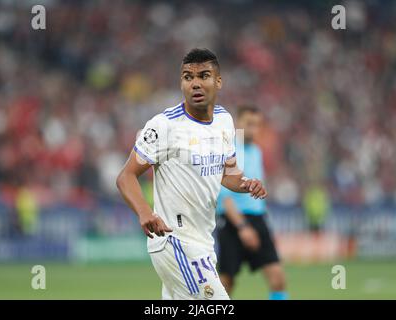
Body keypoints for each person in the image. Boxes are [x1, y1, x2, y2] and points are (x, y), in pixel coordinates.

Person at [116, 48, 267, 300]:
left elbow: (228, 173)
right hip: (174, 240)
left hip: (203, 241)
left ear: (218, 82)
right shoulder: (164, 126)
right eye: (188, 77)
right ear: (181, 82)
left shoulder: (224, 120)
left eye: (204, 76)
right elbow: (125, 176)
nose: (195, 83)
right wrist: (144, 212)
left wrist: (246, 184)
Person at [216, 106, 288, 300]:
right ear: (238, 124)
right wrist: (243, 227)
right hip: (233, 221)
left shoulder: (256, 150)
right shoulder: (228, 149)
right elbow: (224, 196)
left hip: (258, 219)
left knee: (277, 278)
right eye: (249, 124)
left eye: (257, 125)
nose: (254, 129)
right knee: (226, 282)